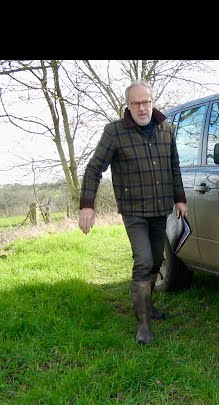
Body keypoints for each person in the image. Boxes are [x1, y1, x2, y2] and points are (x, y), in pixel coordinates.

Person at [78, 80, 187, 345]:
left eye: (146, 102)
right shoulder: (114, 132)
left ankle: (147, 306)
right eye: (136, 103)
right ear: (127, 105)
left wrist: (180, 199)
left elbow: (174, 168)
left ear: (153, 102)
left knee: (157, 262)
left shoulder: (167, 130)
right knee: (143, 261)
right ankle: (143, 324)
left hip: (161, 208)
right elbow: (94, 169)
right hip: (134, 211)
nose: (142, 108)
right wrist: (87, 205)